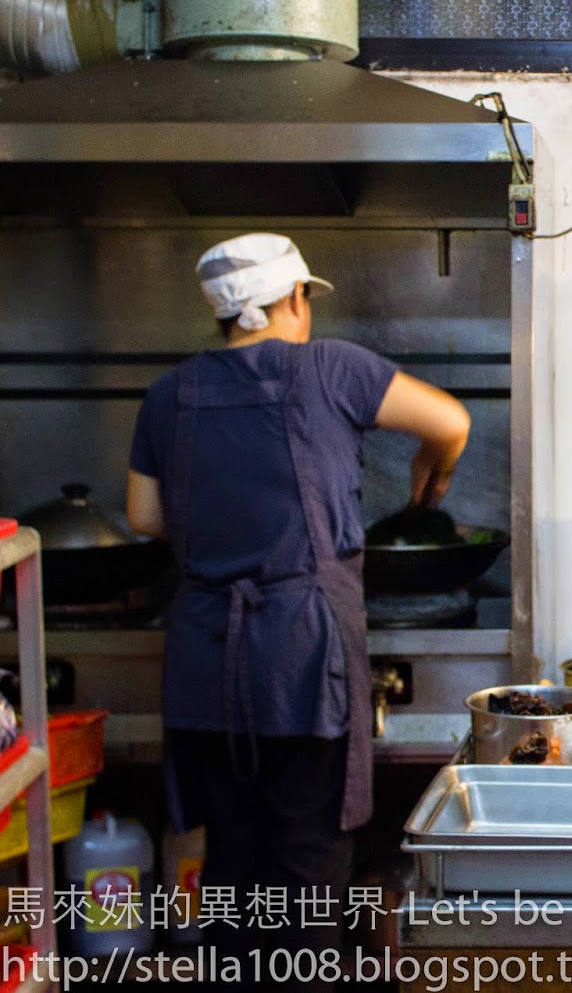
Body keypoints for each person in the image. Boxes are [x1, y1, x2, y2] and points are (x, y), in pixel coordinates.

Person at [125, 233, 471, 971]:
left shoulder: (168, 395)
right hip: (300, 660)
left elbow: (145, 517)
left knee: (231, 863)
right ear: (293, 298)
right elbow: (451, 423)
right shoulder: (332, 368)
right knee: (308, 867)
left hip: (206, 663)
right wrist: (431, 470)